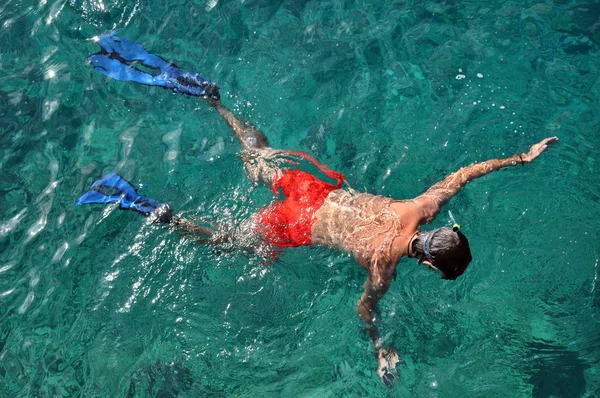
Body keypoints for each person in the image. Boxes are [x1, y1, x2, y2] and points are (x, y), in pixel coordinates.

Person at [78, 34, 559, 386]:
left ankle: (212, 102)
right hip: (300, 225)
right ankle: (157, 213)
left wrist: (520, 157)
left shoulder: (422, 207)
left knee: (257, 154)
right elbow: (364, 308)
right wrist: (380, 348)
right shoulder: (382, 266)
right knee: (229, 241)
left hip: (316, 192)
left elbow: (463, 173)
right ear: (429, 264)